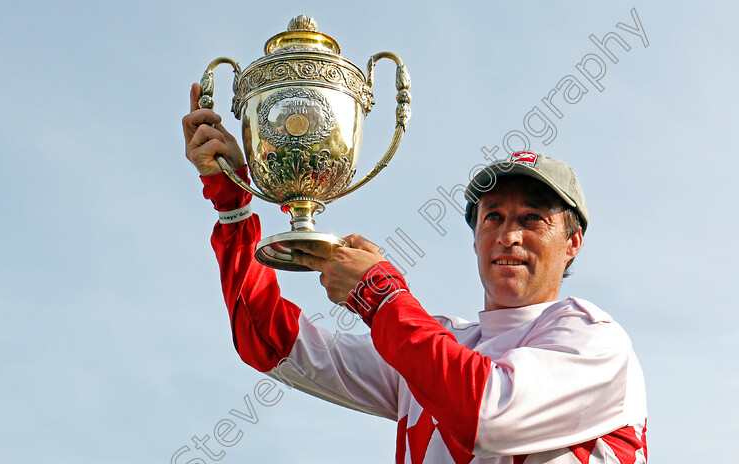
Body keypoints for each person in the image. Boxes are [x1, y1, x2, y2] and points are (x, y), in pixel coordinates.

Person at [183, 82, 647, 463]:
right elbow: (269, 341)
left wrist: (380, 295)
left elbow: (485, 414)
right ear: (475, 238)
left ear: (572, 244)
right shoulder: (434, 349)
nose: (509, 236)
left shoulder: (594, 340)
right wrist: (232, 203)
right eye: (493, 218)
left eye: (532, 219)